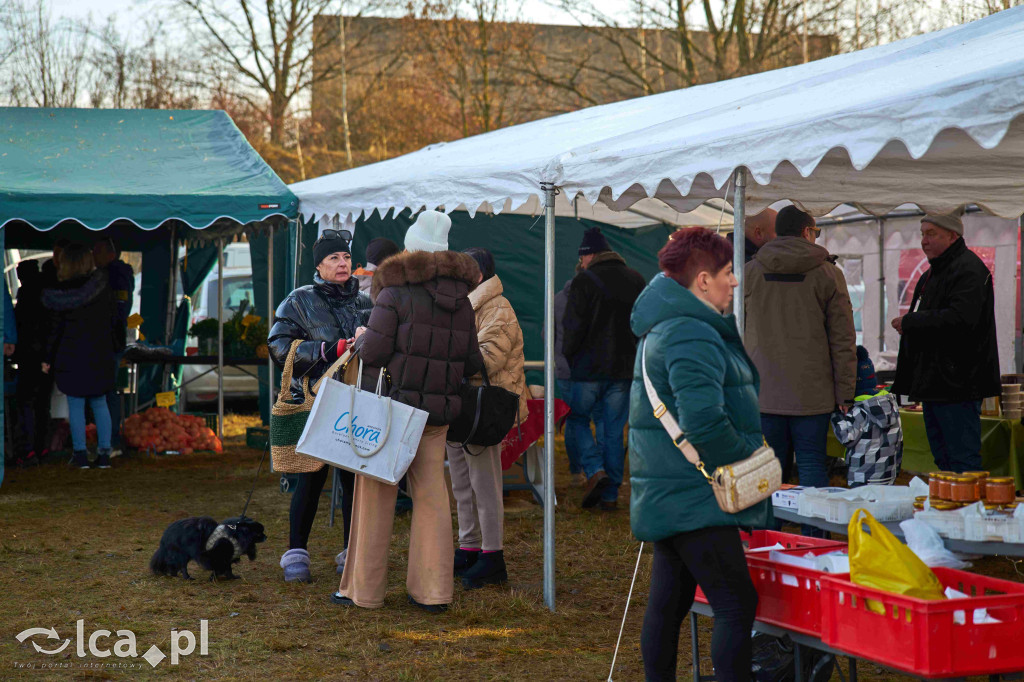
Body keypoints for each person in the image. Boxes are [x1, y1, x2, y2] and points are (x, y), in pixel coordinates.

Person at [629, 228, 770, 682]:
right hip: (697, 493)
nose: (735, 282)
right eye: (729, 273)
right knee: (736, 603)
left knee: (668, 604)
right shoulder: (690, 332)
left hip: (676, 488)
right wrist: (753, 457)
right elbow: (705, 422)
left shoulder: (670, 324)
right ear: (703, 280)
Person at [334, 210, 483, 613]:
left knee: (375, 496)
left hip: (393, 411)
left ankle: (364, 592)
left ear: (411, 247)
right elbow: (471, 361)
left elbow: (377, 351)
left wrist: (363, 339)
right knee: (433, 499)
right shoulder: (465, 302)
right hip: (439, 414)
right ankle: (434, 593)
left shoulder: (395, 294)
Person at [268, 229, 373, 582]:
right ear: (319, 266)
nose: (342, 264)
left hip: (356, 403)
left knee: (353, 481)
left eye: (345, 257)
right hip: (313, 403)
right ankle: (296, 555)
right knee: (309, 478)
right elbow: (280, 349)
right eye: (334, 258)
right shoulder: (297, 301)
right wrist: (332, 349)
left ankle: (351, 554)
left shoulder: (365, 302)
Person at [744, 205, 856, 498]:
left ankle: (769, 539)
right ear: (807, 232)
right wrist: (846, 392)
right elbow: (842, 339)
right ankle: (813, 541)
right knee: (812, 468)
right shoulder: (829, 274)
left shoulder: (750, 271)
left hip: (763, 393)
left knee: (769, 475)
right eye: (815, 232)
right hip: (813, 395)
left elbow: (735, 331)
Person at [891, 211, 1000, 473]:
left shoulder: (969, 270)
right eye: (922, 234)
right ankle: (951, 510)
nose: (924, 241)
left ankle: (968, 511)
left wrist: (911, 323)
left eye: (931, 234)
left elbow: (962, 319)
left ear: (952, 236)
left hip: (957, 384)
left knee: (962, 462)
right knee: (944, 461)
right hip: (936, 383)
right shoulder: (935, 272)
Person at [447, 247, 529, 589]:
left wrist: (442, 356)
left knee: (485, 485)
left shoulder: (498, 308)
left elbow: (488, 359)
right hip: (460, 407)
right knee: (462, 484)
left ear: (477, 274)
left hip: (482, 409)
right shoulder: (464, 304)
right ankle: (469, 547)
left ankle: (493, 556)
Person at [562, 226, 646, 510]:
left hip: (587, 370)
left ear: (591, 255)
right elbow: (642, 326)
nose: (581, 263)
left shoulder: (583, 282)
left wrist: (570, 357)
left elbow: (572, 329)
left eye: (582, 257)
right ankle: (610, 496)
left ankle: (594, 469)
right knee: (612, 431)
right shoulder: (636, 280)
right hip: (623, 370)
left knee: (576, 420)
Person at [41, 243, 123, 469]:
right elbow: (115, 321)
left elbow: (54, 330)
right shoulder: (103, 288)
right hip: (100, 353)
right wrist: (117, 347)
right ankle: (105, 453)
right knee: (100, 403)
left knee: (75, 405)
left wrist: (47, 357)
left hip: (71, 356)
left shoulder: (59, 295)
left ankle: (80, 455)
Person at [831, 346, 904, 487]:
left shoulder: (860, 410)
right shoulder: (891, 405)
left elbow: (846, 436)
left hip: (863, 476)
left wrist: (836, 413)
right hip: (889, 474)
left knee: (863, 510)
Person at [552, 266, 595, 487]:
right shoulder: (593, 299)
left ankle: (576, 471)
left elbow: (545, 333)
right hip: (589, 370)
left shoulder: (558, 299)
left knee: (574, 421)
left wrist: (559, 356)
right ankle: (596, 470)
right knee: (591, 419)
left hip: (565, 370)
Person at [93, 238, 134, 454]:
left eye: (97, 251)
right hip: (110, 339)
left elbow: (119, 310)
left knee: (108, 391)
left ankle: (112, 440)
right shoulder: (115, 274)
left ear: (110, 253)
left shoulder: (116, 275)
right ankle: (108, 439)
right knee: (106, 390)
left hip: (110, 340)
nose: (93, 256)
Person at [13, 260, 51, 466]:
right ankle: (41, 446)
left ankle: (27, 449)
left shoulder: (26, 294)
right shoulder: (47, 292)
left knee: (26, 402)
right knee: (42, 404)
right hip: (45, 355)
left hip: (29, 356)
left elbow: (22, 325)